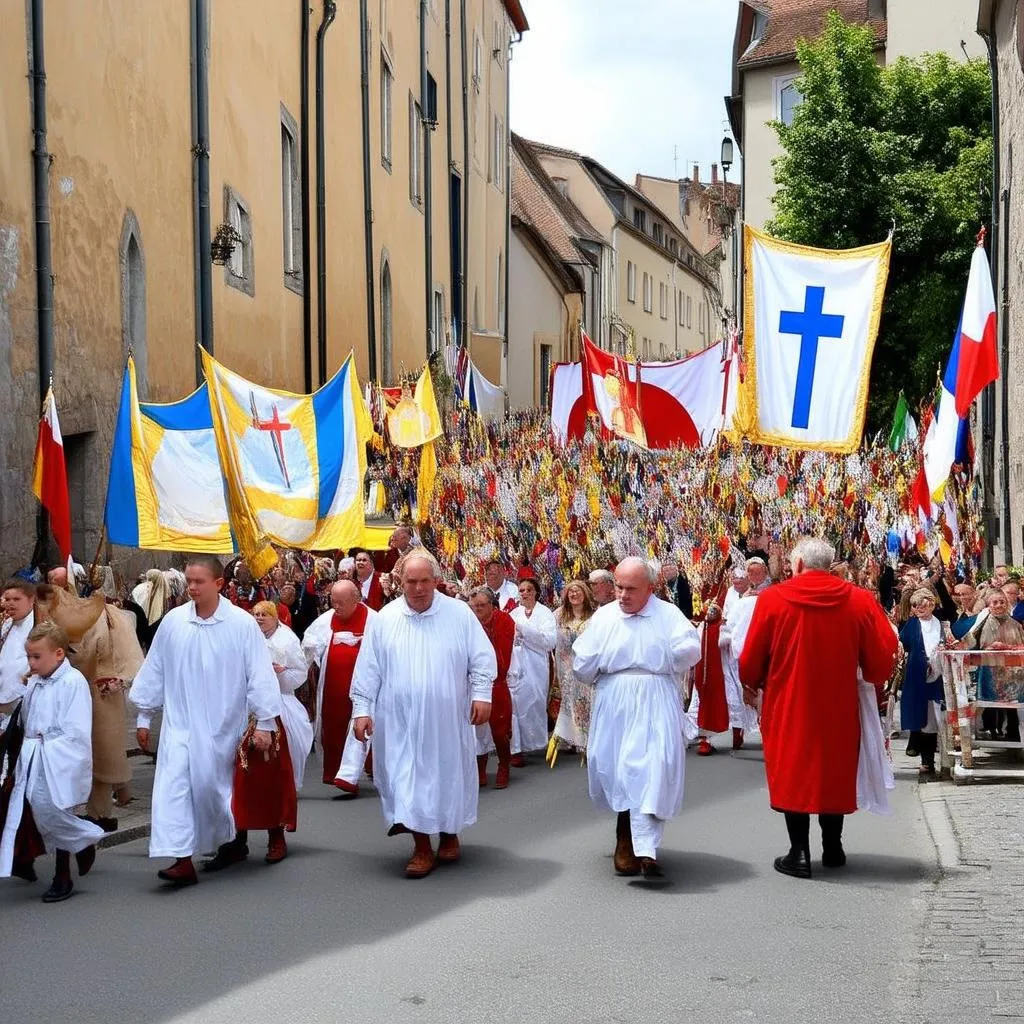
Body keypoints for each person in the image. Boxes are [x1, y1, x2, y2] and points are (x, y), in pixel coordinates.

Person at [739, 537, 898, 880]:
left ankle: (799, 852)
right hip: (840, 701)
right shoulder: (860, 600)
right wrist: (873, 678)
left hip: (788, 700)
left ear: (797, 565)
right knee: (833, 768)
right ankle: (833, 846)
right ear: (830, 564)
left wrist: (751, 682)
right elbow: (884, 653)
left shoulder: (772, 599)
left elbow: (751, 654)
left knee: (792, 768)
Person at [129, 555, 282, 887]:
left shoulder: (241, 624)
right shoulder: (173, 623)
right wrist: (144, 715)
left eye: (199, 582)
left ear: (218, 584)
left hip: (222, 724)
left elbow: (259, 673)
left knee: (213, 790)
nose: (192, 588)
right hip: (179, 724)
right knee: (173, 789)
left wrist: (266, 723)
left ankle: (232, 841)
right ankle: (181, 859)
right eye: (189, 581)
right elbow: (155, 668)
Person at [351, 551, 496, 878]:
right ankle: (420, 846)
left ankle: (448, 834)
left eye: (424, 581)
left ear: (436, 581)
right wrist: (362, 710)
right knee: (407, 779)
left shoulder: (458, 614)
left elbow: (482, 659)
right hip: (399, 720)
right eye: (411, 582)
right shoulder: (385, 619)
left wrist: (482, 694)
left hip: (446, 718)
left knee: (445, 775)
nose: (418, 588)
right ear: (400, 582)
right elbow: (368, 670)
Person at [572, 557, 701, 881]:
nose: (623, 595)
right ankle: (626, 836)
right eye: (618, 586)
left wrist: (674, 653)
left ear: (651, 588)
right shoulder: (604, 618)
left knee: (654, 769)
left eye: (631, 588)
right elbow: (583, 663)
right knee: (621, 770)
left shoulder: (668, 615)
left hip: (656, 698)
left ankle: (643, 848)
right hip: (616, 701)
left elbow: (689, 649)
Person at [0, 621, 104, 902]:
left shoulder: (72, 683)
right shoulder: (35, 682)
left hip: (57, 758)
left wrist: (48, 744)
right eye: (29, 657)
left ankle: (65, 871)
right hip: (33, 756)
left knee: (54, 809)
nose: (31, 663)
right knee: (36, 810)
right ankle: (81, 846)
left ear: (59, 654)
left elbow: (76, 729)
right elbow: (28, 716)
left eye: (37, 657)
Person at [233, 602, 314, 864]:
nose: (258, 620)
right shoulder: (240, 639)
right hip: (236, 712)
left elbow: (295, 674)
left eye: (262, 615)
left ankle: (275, 834)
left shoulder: (284, 639)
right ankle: (234, 839)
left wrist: (279, 675)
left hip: (271, 710)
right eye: (254, 615)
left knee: (270, 775)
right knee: (233, 779)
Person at [301, 580, 375, 791]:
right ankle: (334, 773)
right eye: (333, 602)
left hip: (365, 688)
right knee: (332, 728)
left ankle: (364, 771)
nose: (336, 608)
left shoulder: (375, 621)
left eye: (341, 603)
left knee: (363, 728)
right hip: (333, 687)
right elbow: (308, 646)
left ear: (355, 600)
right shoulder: (325, 621)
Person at [467, 588, 515, 789]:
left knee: (499, 730)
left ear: (492, 605)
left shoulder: (504, 621)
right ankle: (480, 768)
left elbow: (501, 658)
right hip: (472, 683)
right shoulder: (469, 623)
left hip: (496, 682)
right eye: (474, 606)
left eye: (481, 605)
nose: (477, 609)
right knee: (476, 729)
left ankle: (504, 765)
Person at [508, 577, 557, 764]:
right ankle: (517, 748)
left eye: (529, 590)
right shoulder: (514, 613)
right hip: (517, 664)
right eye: (521, 590)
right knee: (516, 703)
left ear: (536, 592)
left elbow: (549, 641)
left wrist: (524, 631)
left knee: (534, 701)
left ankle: (533, 741)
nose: (525, 593)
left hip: (537, 664)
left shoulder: (545, 613)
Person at [898, 590, 946, 779]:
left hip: (937, 677)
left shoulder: (941, 625)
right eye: (917, 606)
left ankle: (929, 759)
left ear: (932, 605)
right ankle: (924, 757)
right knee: (919, 715)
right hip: (916, 678)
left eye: (925, 605)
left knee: (933, 720)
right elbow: (903, 644)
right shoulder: (911, 625)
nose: (921, 609)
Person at [550, 581, 596, 753]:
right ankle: (571, 737)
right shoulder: (559, 615)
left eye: (577, 591)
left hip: (586, 665)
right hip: (565, 665)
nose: (574, 594)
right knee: (569, 699)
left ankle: (586, 738)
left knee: (586, 700)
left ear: (585, 593)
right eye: (571, 592)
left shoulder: (594, 615)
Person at [0, 580, 36, 726]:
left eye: (16, 599)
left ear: (31, 600)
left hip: (25, 697)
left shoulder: (40, 625)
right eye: (7, 599)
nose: (10, 604)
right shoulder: (7, 624)